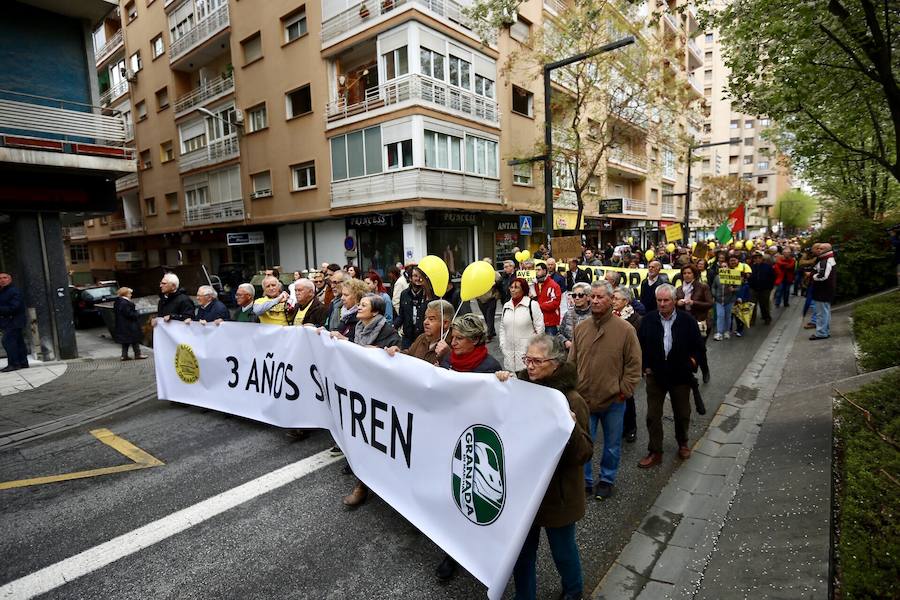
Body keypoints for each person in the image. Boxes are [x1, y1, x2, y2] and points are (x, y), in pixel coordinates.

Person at [495, 335, 592, 600]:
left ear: (557, 364)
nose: (530, 366)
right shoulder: (522, 386)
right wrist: (502, 380)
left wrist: (570, 428)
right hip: (525, 491)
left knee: (562, 551)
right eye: (527, 360)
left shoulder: (572, 401)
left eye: (537, 361)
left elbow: (584, 453)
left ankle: (573, 591)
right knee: (522, 553)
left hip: (557, 495)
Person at [433, 313, 502, 581]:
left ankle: (468, 553)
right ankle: (451, 550)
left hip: (471, 442)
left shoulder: (489, 367)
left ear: (475, 340)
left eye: (460, 338)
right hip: (445, 436)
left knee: (466, 498)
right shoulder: (449, 358)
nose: (454, 341)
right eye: (453, 337)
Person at [569, 280, 642, 499]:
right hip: (585, 400)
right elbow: (572, 362)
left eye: (600, 297)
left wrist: (623, 391)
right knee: (584, 443)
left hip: (613, 401)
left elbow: (634, 365)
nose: (595, 300)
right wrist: (571, 391)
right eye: (592, 297)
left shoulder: (625, 330)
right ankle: (586, 481)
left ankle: (607, 480)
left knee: (611, 446)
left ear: (611, 300)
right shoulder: (581, 328)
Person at [338, 292, 402, 507]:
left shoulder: (388, 332)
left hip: (378, 393)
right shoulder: (358, 328)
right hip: (359, 388)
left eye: (363, 305)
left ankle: (368, 484)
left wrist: (383, 353)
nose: (358, 308)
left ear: (375, 311)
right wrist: (345, 341)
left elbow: (396, 357)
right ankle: (361, 476)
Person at [637, 284, 705, 468]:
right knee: (652, 415)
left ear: (674, 301)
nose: (662, 304)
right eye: (659, 300)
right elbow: (639, 345)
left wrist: (692, 363)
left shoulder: (687, 320)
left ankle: (682, 442)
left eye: (666, 300)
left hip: (680, 375)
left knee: (682, 412)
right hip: (655, 375)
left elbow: (698, 346)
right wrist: (645, 367)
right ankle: (655, 451)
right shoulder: (648, 319)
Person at [675, 264, 712, 415]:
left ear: (694, 274)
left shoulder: (702, 287)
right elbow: (674, 303)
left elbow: (710, 303)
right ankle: (690, 369)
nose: (687, 275)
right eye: (684, 273)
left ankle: (705, 370)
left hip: (701, 323)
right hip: (685, 325)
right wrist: (678, 303)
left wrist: (693, 302)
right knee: (686, 350)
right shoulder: (678, 289)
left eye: (689, 273)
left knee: (700, 349)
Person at [611, 286, 642, 444]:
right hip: (610, 364)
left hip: (625, 364)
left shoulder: (635, 318)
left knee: (627, 397)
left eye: (616, 298)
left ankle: (631, 428)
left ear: (626, 301)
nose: (613, 301)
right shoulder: (609, 316)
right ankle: (618, 426)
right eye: (612, 298)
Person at [385, 299, 453, 364]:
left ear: (445, 323)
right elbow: (409, 354)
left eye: (431, 319)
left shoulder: (453, 344)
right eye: (425, 318)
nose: (425, 322)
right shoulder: (421, 337)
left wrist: (447, 354)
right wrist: (398, 352)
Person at [499, 277, 544, 372]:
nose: (513, 290)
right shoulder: (506, 306)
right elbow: (502, 327)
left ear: (523, 289)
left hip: (527, 355)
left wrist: (532, 348)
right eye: (511, 287)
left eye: (516, 287)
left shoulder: (532, 305)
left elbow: (540, 329)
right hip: (509, 354)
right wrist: (502, 344)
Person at [397, 267, 434, 349]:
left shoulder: (427, 294)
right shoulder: (404, 294)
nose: (418, 279)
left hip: (422, 335)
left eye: (420, 276)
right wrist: (393, 327)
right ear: (410, 278)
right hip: (407, 337)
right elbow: (401, 316)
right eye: (415, 276)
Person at [0, 272, 28, 372]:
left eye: (4, 278)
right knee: (18, 342)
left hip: (13, 321)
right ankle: (23, 362)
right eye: (0, 278)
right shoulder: (4, 291)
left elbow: (14, 307)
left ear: (10, 279)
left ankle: (14, 364)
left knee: (8, 342)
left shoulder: (14, 291)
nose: (2, 280)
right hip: (10, 321)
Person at [810, 242, 837, 340]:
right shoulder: (826, 259)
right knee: (825, 312)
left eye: (821, 249)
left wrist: (812, 276)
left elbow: (823, 276)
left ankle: (821, 333)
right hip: (825, 290)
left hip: (823, 290)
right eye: (818, 248)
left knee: (821, 313)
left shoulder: (825, 260)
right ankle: (824, 331)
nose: (818, 250)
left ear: (826, 250)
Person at [112, 287, 146, 361]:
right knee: (134, 339)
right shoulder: (125, 303)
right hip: (129, 325)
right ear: (126, 294)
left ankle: (124, 356)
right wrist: (136, 314)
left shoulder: (118, 302)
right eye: (129, 293)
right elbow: (129, 313)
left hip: (122, 325)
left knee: (125, 341)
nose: (131, 295)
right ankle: (138, 354)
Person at [710, 254, 739, 341]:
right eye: (722, 267)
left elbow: (739, 287)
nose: (723, 268)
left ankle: (727, 331)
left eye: (725, 266)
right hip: (719, 300)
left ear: (728, 267)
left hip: (729, 300)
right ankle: (719, 332)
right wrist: (714, 294)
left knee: (728, 316)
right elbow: (713, 287)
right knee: (720, 315)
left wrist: (733, 289)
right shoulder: (717, 277)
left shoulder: (733, 276)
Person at [558, 282, 592, 349]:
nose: (576, 298)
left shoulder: (595, 316)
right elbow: (559, 334)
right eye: (574, 295)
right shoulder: (568, 314)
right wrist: (565, 342)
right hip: (568, 355)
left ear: (588, 297)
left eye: (580, 295)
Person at [532, 262, 562, 336]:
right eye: (536, 270)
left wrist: (538, 306)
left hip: (550, 321)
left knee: (550, 345)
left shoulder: (553, 285)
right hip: (537, 321)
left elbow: (555, 303)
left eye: (539, 269)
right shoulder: (533, 285)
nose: (536, 271)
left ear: (545, 271)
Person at [475, 258, 500, 341]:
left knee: (490, 317)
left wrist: (495, 285)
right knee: (486, 316)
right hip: (480, 298)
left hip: (491, 298)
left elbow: (500, 282)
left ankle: (489, 335)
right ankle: (492, 331)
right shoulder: (478, 274)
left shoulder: (494, 273)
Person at [747, 253, 775, 326]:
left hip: (764, 289)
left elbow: (772, 277)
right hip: (754, 289)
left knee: (764, 305)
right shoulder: (751, 267)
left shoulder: (768, 267)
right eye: (756, 258)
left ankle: (767, 318)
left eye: (759, 258)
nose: (757, 259)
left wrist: (769, 287)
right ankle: (752, 320)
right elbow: (749, 277)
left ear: (762, 259)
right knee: (752, 305)